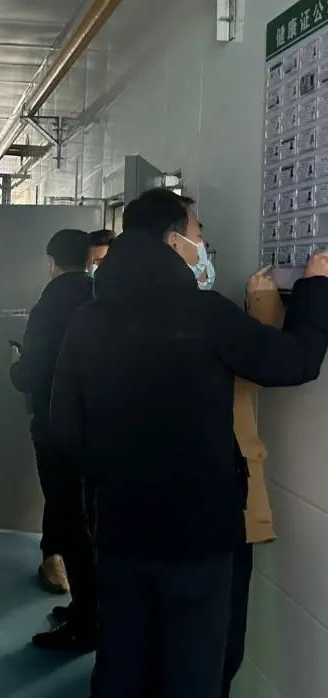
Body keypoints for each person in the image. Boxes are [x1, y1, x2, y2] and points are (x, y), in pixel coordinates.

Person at [50, 188, 328, 698]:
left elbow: (65, 426)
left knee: (121, 667)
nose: (204, 247)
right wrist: (315, 288)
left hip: (120, 533)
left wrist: (118, 479)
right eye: (198, 234)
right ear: (173, 241)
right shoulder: (205, 314)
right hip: (199, 538)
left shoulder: (88, 319)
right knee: (193, 674)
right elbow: (295, 362)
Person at [10, 230, 93, 599]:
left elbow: (31, 375)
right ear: (89, 259)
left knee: (62, 499)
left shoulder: (48, 307)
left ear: (51, 263)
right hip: (97, 422)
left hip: (54, 422)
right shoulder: (102, 299)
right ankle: (74, 582)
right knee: (83, 502)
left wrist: (15, 366)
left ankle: (71, 587)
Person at [222, 267, 285, 696]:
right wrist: (265, 304)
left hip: (140, 513)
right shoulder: (201, 319)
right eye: (197, 238)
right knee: (218, 645)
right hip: (220, 512)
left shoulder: (110, 318)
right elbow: (275, 363)